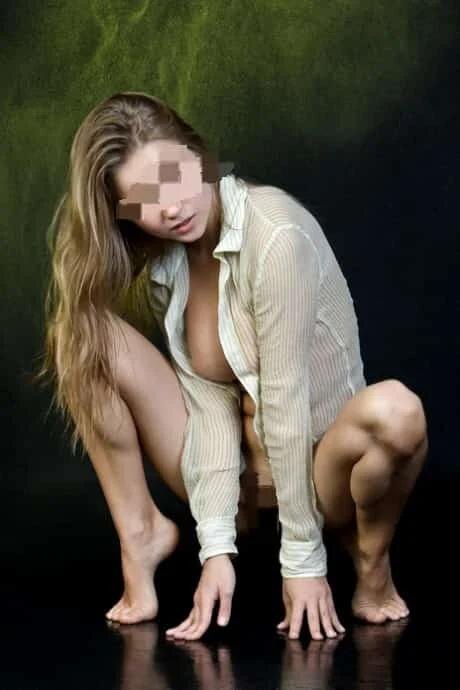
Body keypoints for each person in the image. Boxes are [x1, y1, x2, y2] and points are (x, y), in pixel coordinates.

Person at [34, 91, 429, 642]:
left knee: (398, 410)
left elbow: (284, 401)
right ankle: (142, 533)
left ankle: (370, 561)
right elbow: (210, 404)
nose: (170, 208)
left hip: (318, 476)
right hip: (234, 484)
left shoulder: (276, 236)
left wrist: (303, 562)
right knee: (79, 334)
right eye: (143, 200)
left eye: (173, 177)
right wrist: (215, 547)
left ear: (198, 156)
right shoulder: (167, 268)